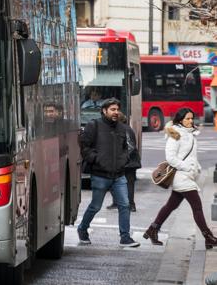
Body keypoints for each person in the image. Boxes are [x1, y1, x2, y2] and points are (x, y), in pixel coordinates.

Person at [143, 108, 217, 248]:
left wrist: (197, 167)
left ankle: (152, 229)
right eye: (187, 118)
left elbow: (190, 156)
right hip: (181, 177)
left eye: (192, 118)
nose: (190, 121)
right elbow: (170, 157)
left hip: (188, 175)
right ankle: (208, 237)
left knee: (171, 205)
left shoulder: (190, 134)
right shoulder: (175, 134)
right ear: (180, 119)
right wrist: (187, 167)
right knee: (197, 207)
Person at [77, 98, 140, 247]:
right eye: (112, 109)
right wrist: (96, 159)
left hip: (119, 175)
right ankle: (82, 229)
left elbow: (128, 148)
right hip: (100, 175)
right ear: (104, 111)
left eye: (117, 109)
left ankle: (125, 237)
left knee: (124, 205)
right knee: (95, 206)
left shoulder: (122, 128)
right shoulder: (94, 125)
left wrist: (123, 161)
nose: (116, 112)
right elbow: (84, 147)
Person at [105, 112, 142, 212]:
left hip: (128, 162)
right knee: (116, 182)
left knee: (128, 184)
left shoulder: (124, 129)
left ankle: (130, 205)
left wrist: (121, 158)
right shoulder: (124, 129)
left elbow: (130, 147)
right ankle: (118, 202)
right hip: (128, 161)